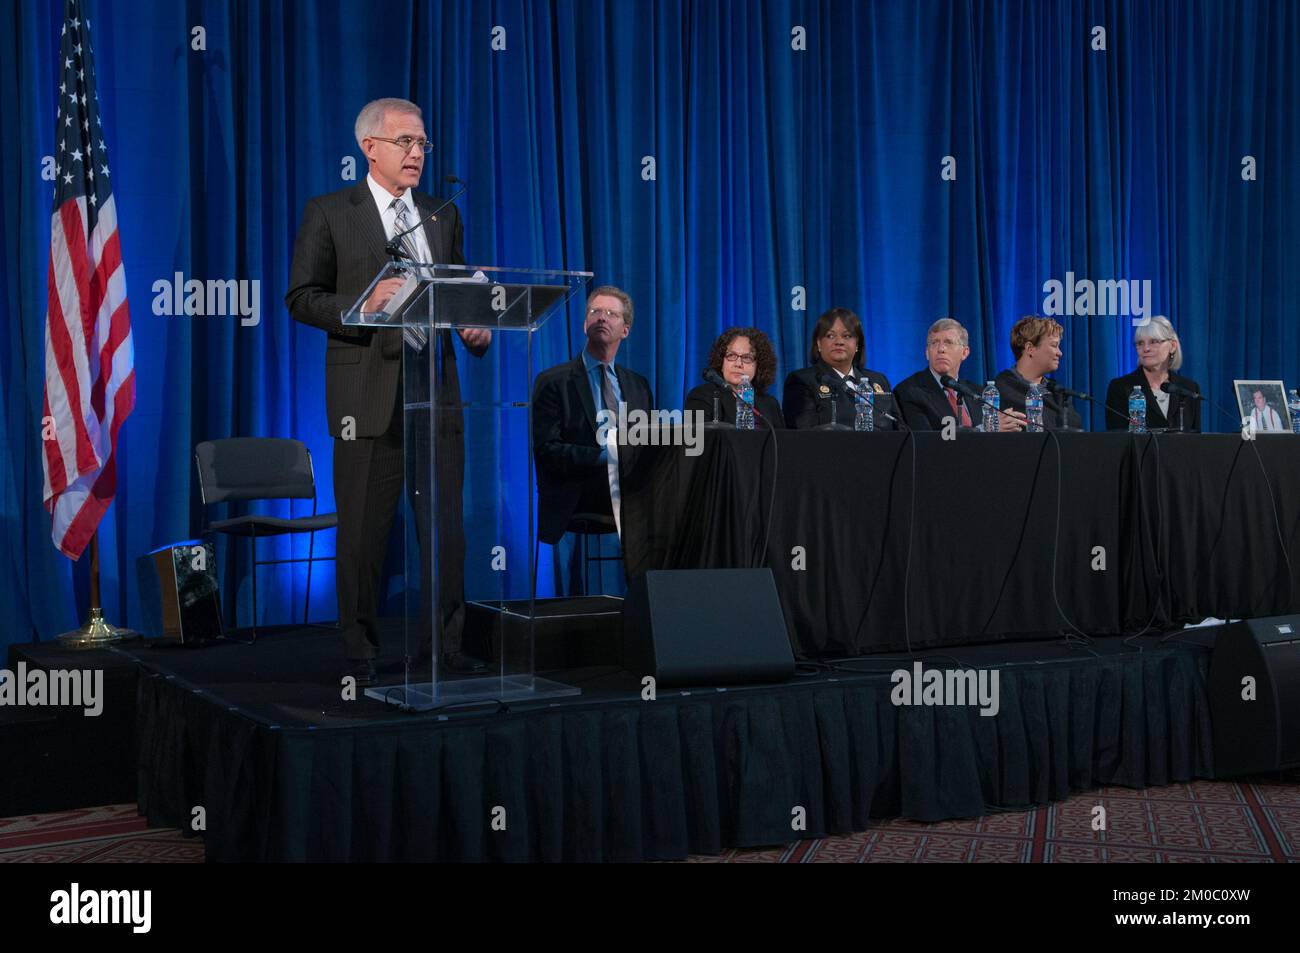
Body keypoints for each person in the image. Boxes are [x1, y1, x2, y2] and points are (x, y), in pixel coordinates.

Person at [286, 97, 490, 685]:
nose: (418, 153)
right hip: (366, 398)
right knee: (362, 532)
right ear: (369, 147)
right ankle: (361, 652)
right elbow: (300, 296)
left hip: (436, 391)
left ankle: (445, 648)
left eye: (423, 143)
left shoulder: (440, 213)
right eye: (406, 142)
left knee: (445, 528)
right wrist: (361, 306)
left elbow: (456, 288)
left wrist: (475, 325)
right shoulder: (330, 212)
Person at [532, 286, 654, 551]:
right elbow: (547, 450)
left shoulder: (638, 386)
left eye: (611, 313)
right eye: (595, 311)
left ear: (625, 330)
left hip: (630, 490)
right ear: (585, 323)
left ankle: (652, 590)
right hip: (579, 491)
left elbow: (645, 443)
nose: (602, 317)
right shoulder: (553, 381)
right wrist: (607, 456)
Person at [782, 308, 899, 429]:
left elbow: (901, 430)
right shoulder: (801, 381)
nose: (839, 342)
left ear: (857, 344)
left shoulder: (878, 381)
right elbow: (803, 435)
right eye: (830, 336)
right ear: (818, 343)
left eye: (847, 336)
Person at [894, 318, 1020, 431]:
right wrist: (984, 430)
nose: (941, 349)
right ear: (927, 352)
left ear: (965, 352)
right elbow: (926, 441)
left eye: (948, 342)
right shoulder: (909, 391)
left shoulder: (976, 393)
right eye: (934, 343)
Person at [1103, 316, 1202, 432]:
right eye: (1140, 343)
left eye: (1153, 342)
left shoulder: (1189, 388)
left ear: (1173, 346)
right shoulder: (1121, 387)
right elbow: (1117, 439)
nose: (1146, 348)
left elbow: (1196, 441)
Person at [994, 316, 1082, 430]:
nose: (1060, 353)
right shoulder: (1000, 390)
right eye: (1054, 345)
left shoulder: (1057, 392)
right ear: (1030, 348)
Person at [685, 327, 784, 428]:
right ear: (721, 362)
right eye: (731, 355)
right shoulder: (700, 396)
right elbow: (694, 441)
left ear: (759, 365)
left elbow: (784, 442)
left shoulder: (770, 404)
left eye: (747, 357)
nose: (738, 364)